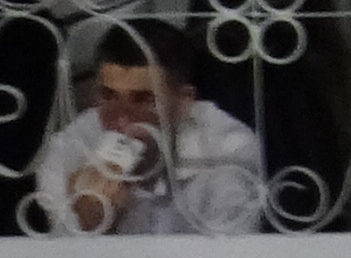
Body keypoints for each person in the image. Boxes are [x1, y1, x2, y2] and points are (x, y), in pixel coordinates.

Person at [28, 20, 266, 234]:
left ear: (185, 101)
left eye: (143, 99)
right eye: (108, 96)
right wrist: (89, 225)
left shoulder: (229, 148)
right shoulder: (70, 149)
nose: (122, 120)